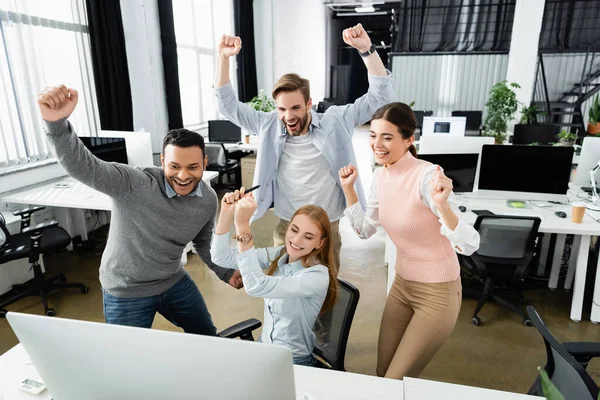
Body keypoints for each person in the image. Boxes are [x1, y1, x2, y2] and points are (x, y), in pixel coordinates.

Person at [37, 85, 243, 334]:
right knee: (128, 361)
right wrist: (57, 124)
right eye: (175, 166)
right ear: (162, 161)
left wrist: (224, 272)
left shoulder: (207, 198)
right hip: (126, 289)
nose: (183, 175)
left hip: (172, 280)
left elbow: (203, 242)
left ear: (204, 163)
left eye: (193, 167)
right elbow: (84, 167)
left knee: (207, 336)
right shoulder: (133, 183)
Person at [214, 23, 394, 273]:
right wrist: (223, 58)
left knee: (327, 291)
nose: (288, 116)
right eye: (282, 109)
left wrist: (366, 50)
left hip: (327, 226)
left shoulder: (336, 120)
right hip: (287, 225)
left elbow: (379, 98)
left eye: (296, 108)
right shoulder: (268, 124)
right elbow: (228, 106)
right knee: (284, 286)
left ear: (309, 103)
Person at [338, 102, 480, 379]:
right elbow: (365, 230)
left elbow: (470, 243)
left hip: (437, 293)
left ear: (409, 140)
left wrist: (444, 206)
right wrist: (349, 190)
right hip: (402, 286)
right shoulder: (381, 175)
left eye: (387, 137)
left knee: (395, 381)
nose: (377, 144)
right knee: (382, 372)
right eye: (373, 135)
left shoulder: (427, 176)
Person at [210, 189, 338, 366]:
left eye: (308, 237)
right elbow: (221, 257)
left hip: (292, 361)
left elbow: (256, 286)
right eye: (294, 230)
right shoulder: (280, 254)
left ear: (320, 243)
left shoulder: (316, 276)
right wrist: (226, 212)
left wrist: (243, 226)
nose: (297, 240)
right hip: (266, 350)